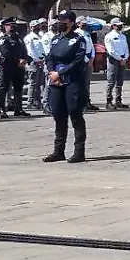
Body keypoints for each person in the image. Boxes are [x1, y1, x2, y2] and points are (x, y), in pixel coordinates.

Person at [42, 10, 89, 163]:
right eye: (59, 20)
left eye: (64, 20)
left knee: (75, 114)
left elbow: (77, 61)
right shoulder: (56, 39)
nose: (60, 22)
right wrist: (51, 72)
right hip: (56, 82)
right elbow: (49, 57)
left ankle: (79, 152)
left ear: (71, 22)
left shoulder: (79, 40)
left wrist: (60, 73)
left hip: (72, 81)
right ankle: (58, 151)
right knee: (58, 115)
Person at [0, 18, 29, 119]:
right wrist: (19, 60)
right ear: (4, 27)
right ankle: (1, 109)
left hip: (19, 67)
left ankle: (19, 109)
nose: (13, 27)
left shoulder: (19, 38)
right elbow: (6, 53)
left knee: (18, 88)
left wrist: (24, 59)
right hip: (6, 67)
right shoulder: (2, 39)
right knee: (3, 88)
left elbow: (24, 50)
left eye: (14, 25)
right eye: (10, 25)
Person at [103, 18, 130, 110]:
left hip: (122, 59)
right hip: (113, 60)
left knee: (120, 81)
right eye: (118, 24)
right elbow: (111, 50)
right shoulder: (109, 36)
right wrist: (119, 58)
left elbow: (126, 48)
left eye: (121, 24)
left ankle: (118, 100)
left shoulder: (123, 36)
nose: (120, 26)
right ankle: (109, 101)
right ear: (113, 26)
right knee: (111, 81)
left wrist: (125, 58)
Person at [74, 17, 99, 112]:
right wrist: (85, 59)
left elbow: (92, 47)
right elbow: (77, 49)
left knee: (87, 83)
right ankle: (80, 103)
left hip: (89, 60)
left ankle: (87, 102)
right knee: (80, 83)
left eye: (85, 23)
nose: (85, 25)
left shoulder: (87, 34)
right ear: (78, 24)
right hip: (81, 61)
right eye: (83, 23)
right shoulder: (76, 34)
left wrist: (92, 58)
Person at [24, 20, 47, 110]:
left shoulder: (41, 36)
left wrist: (43, 59)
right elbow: (30, 51)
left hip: (42, 61)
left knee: (39, 83)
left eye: (38, 26)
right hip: (33, 62)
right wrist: (37, 60)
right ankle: (30, 102)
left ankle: (37, 102)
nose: (37, 27)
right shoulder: (29, 38)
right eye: (35, 26)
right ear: (31, 27)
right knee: (32, 83)